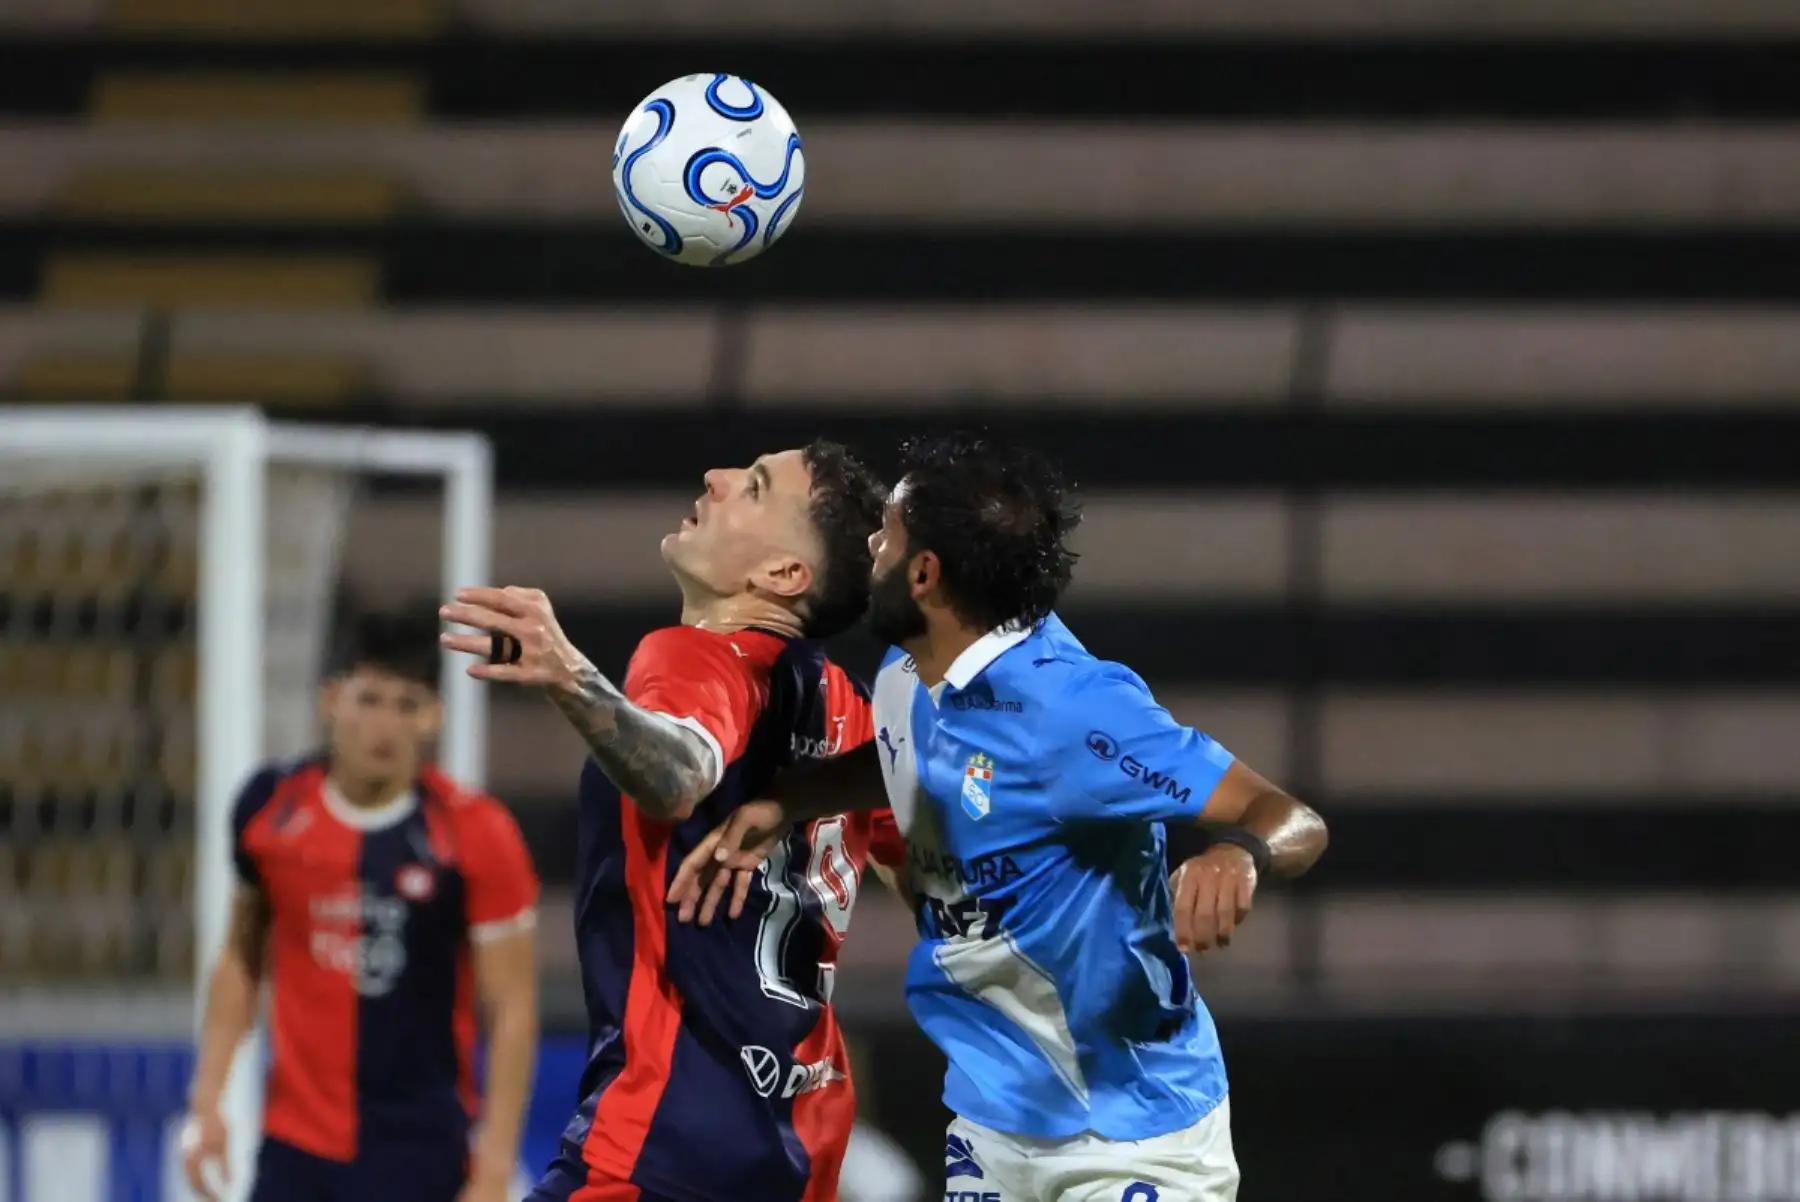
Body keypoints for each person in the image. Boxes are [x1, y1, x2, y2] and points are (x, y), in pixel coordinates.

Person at [671, 432, 1331, 1202]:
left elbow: (1291, 816)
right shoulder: (907, 673)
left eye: (886, 531)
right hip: (992, 1124)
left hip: (1134, 1136)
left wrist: (1238, 853)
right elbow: (905, 754)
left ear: (923, 574)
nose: (869, 544)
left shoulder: (1072, 709)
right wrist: (791, 799)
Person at [438, 441, 904, 1202]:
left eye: (752, 488)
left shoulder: (695, 657)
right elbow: (930, 877)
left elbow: (681, 774)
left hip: (664, 1135)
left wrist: (570, 674)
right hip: (803, 1142)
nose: (715, 479)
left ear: (783, 576)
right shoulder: (855, 711)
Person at [182, 614, 541, 1202]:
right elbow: (242, 959)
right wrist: (207, 1103)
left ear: (434, 717)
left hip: (423, 1150)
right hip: (296, 1149)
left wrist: (495, 1166)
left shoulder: (476, 835)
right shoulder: (269, 810)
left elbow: (512, 1007)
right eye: (368, 699)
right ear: (330, 700)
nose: (385, 724)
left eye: (407, 704)